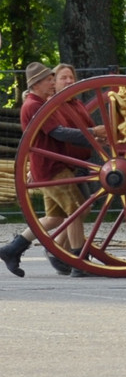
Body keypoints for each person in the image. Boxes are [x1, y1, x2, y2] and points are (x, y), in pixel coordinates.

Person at [2, 62, 92, 278]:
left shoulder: (41, 103)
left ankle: (12, 249)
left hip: (52, 166)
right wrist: (91, 134)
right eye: (49, 80)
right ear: (37, 84)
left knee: (54, 217)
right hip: (52, 167)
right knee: (76, 210)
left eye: (53, 79)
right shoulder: (33, 105)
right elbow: (58, 133)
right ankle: (78, 262)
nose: (53, 83)